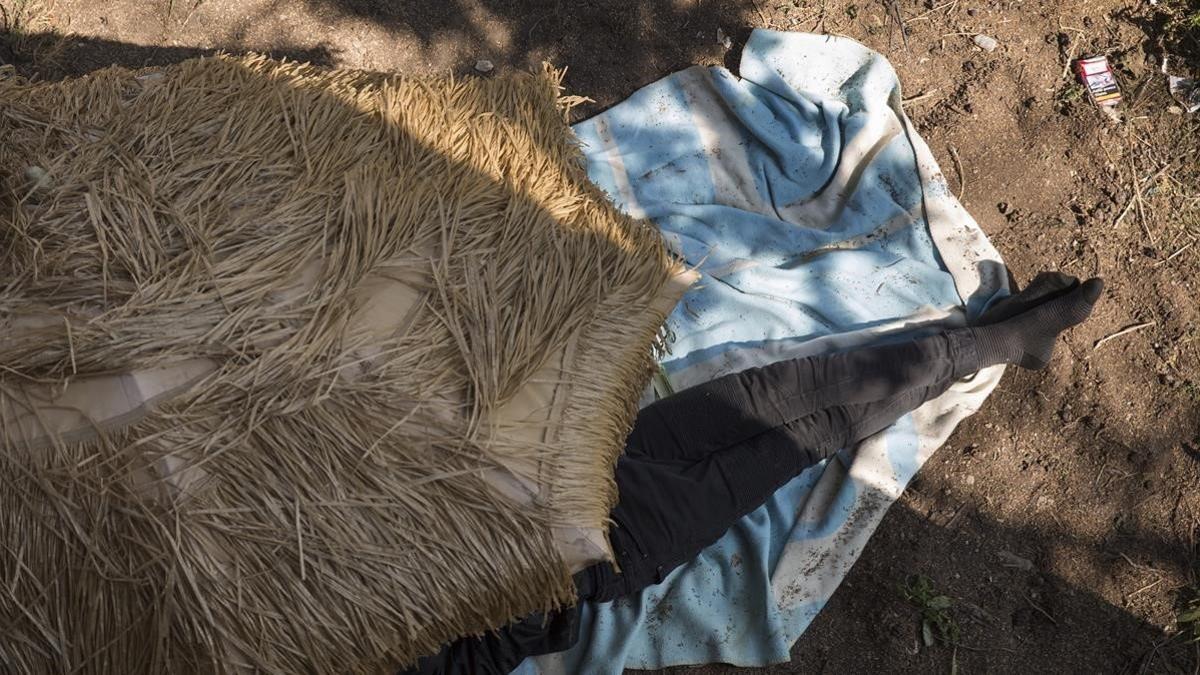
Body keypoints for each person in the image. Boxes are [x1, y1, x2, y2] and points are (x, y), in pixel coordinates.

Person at [404, 272, 1104, 675]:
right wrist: (540, 581)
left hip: (594, 463)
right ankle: (1006, 339)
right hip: (618, 540)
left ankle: (1000, 335)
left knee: (797, 384)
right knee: (812, 431)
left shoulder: (333, 562)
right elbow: (493, 651)